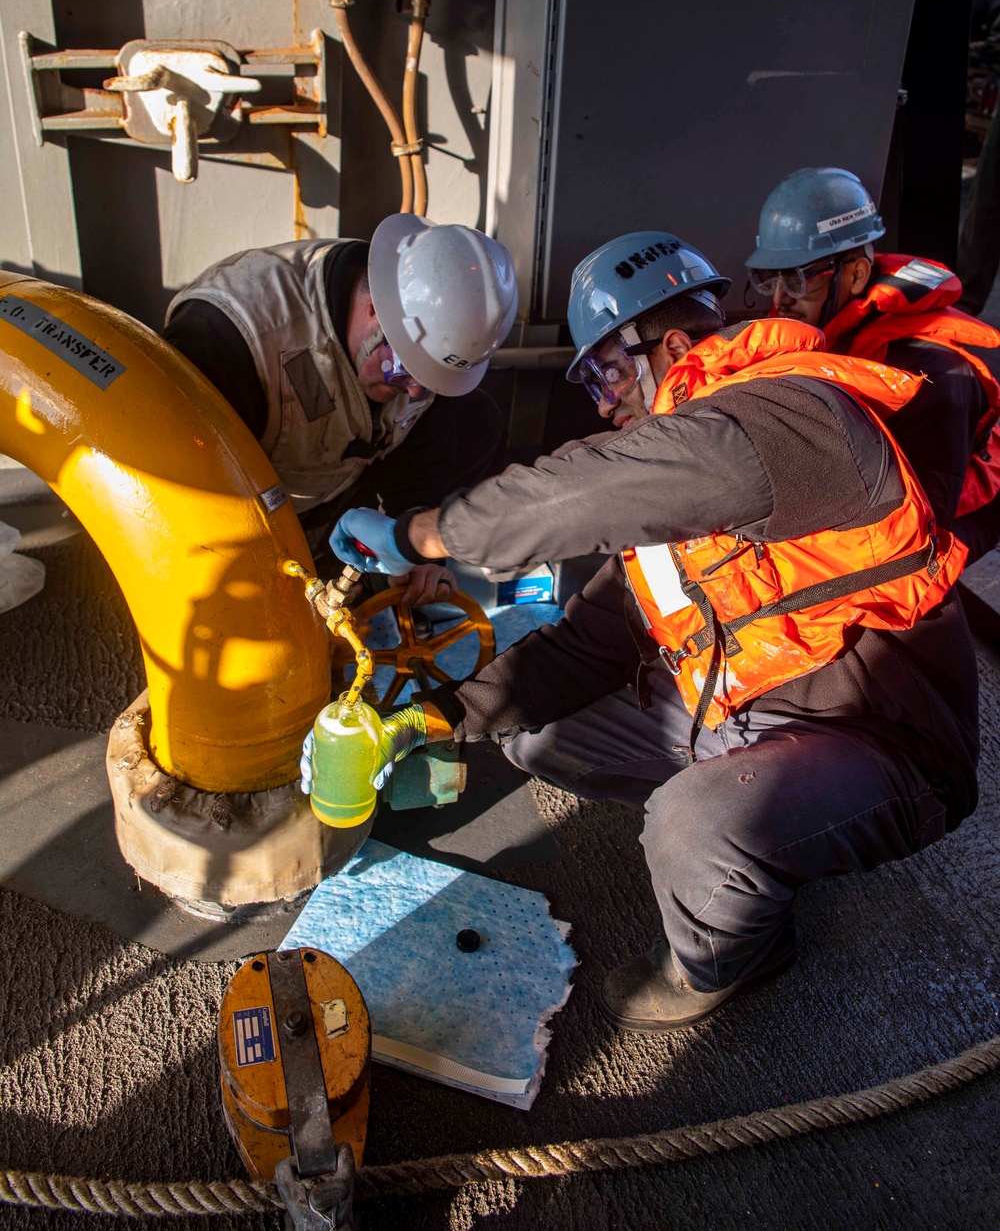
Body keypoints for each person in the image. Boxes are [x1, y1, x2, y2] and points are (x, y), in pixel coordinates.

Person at [313, 231, 976, 1034]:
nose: (601, 401)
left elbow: (585, 492)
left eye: (606, 371)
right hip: (749, 710)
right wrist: (429, 721)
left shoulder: (793, 415)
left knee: (697, 824)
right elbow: (586, 645)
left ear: (669, 346)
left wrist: (422, 533)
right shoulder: (687, 484)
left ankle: (736, 954)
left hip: (879, 743)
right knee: (537, 725)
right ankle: (753, 833)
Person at [165, 214, 518, 605]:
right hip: (253, 508)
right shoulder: (231, 340)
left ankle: (383, 576)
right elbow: (184, 500)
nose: (416, 389)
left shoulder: (419, 340)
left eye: (431, 378)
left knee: (477, 419)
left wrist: (415, 536)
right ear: (375, 312)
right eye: (407, 369)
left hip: (342, 479)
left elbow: (424, 441)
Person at [745, 167, 1000, 564]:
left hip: (954, 514)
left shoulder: (935, 376)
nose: (780, 297)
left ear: (858, 274)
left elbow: (923, 543)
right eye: (769, 278)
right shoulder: (821, 325)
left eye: (797, 278)